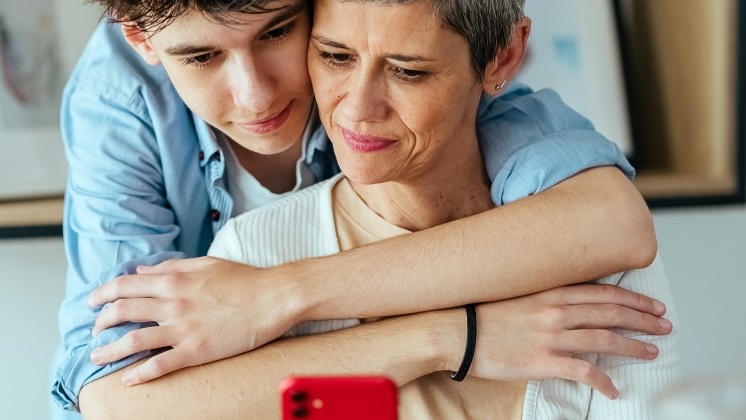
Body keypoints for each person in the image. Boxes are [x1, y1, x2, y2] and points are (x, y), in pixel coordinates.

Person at [55, 0, 667, 416]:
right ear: (141, 40)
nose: (255, 96)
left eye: (277, 32)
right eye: (201, 57)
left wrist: (276, 295)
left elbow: (612, 225)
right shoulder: (118, 103)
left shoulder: (416, 40)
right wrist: (450, 335)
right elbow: (115, 401)